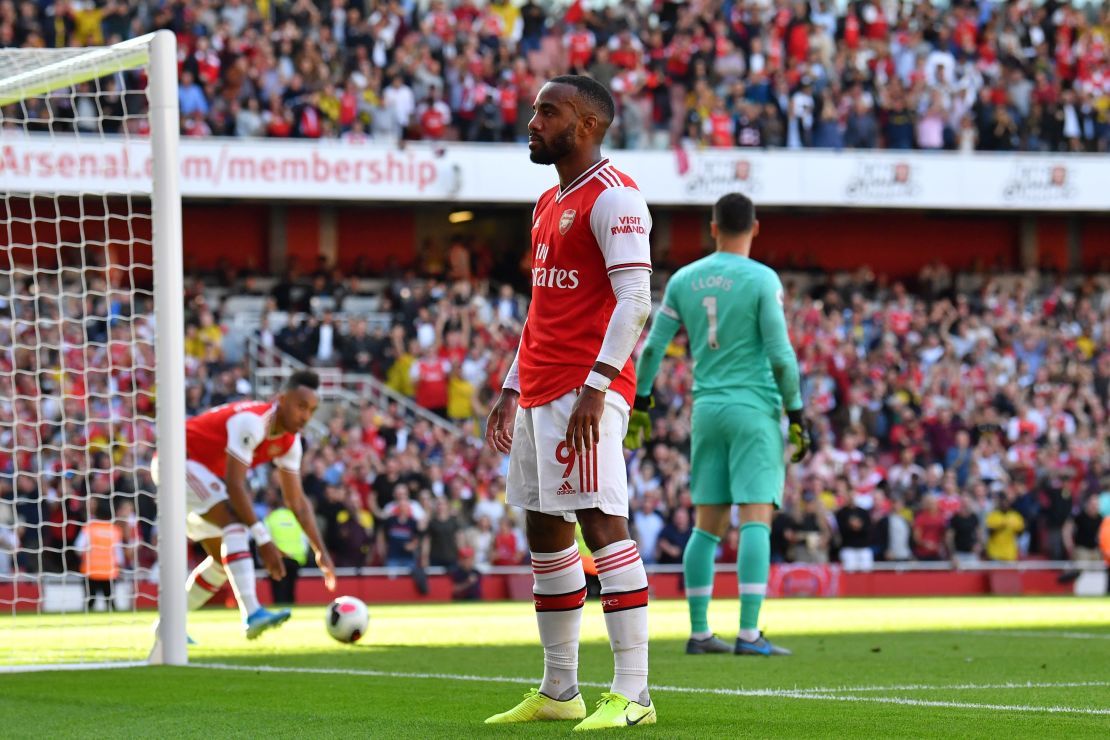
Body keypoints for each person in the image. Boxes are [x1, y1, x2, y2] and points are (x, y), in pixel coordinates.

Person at [484, 75, 656, 729]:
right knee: (543, 530)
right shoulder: (546, 201)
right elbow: (542, 308)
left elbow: (636, 298)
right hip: (540, 388)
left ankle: (634, 694)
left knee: (600, 521)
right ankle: (560, 692)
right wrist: (508, 385)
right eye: (533, 110)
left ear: (584, 124)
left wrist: (598, 385)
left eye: (546, 112)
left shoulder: (615, 198)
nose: (532, 121)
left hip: (586, 390)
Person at [627, 192, 809, 657]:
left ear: (712, 228)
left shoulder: (684, 280)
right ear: (756, 227)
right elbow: (781, 354)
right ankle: (749, 633)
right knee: (755, 518)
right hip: (755, 409)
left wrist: (642, 402)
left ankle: (700, 631)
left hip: (706, 410)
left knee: (706, 526)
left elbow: (651, 350)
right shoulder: (762, 279)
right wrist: (796, 412)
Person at [155, 371, 337, 640]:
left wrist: (320, 551)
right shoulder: (252, 422)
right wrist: (263, 540)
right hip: (175, 459)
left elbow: (297, 502)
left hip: (197, 474)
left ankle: (168, 627)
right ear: (281, 399)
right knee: (236, 521)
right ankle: (252, 613)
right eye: (301, 407)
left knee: (221, 559)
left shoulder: (290, 443)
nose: (306, 416)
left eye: (311, 410)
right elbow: (235, 485)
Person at [76, 498, 123, 612]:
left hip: (91, 571)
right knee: (111, 603)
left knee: (89, 603)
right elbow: (119, 553)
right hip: (109, 572)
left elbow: (78, 547)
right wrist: (119, 566)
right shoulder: (115, 530)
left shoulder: (89, 527)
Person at [264, 491, 310, 605]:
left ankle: (280, 611)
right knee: (290, 590)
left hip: (277, 559)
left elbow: (265, 541)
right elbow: (305, 540)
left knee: (278, 592)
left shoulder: (270, 518)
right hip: (296, 559)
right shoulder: (296, 518)